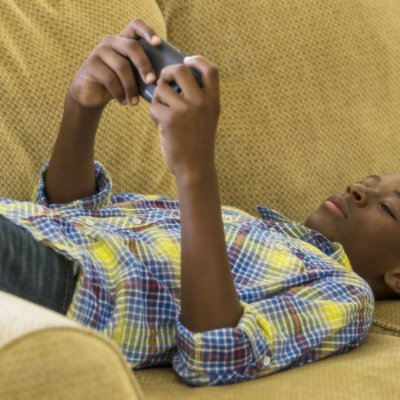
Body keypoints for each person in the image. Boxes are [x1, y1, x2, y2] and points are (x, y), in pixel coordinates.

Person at [0, 18, 398, 386]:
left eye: (389, 208)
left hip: (58, 284)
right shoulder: (240, 222)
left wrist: (194, 170)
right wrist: (82, 105)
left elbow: (216, 354)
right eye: (369, 182)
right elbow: (71, 211)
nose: (358, 189)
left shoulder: (344, 293)